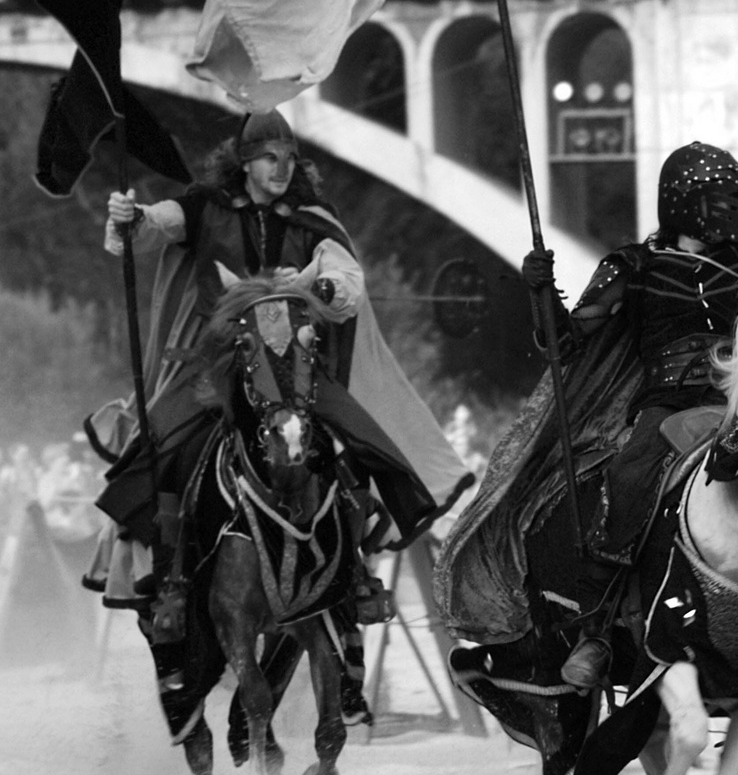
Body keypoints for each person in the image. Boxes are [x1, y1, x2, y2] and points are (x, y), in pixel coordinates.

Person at [93, 111, 470, 726]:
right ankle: (168, 587)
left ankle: (351, 599)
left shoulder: (313, 225)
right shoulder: (204, 206)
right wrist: (129, 218)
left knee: (364, 450)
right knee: (157, 451)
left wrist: (323, 293)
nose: (281, 168)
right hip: (215, 366)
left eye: (289, 158)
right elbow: (153, 228)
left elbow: (346, 280)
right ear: (244, 161)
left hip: (294, 365)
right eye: (269, 158)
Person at [522, 142, 738, 716]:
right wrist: (539, 293)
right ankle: (598, 631)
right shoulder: (633, 267)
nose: (731, 209)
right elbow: (566, 345)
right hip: (668, 409)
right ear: (685, 202)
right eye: (721, 199)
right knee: (629, 482)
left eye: (735, 198)